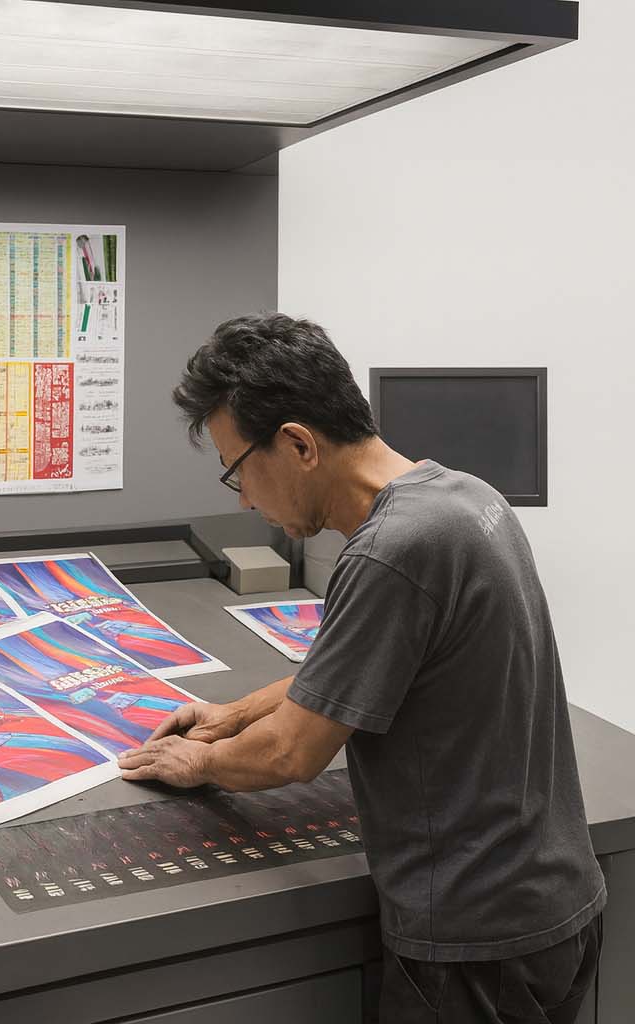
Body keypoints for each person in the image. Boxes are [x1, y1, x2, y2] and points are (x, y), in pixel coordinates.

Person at [117, 313, 605, 1023]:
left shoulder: (390, 551)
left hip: (474, 943)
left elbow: (292, 753)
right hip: (558, 906)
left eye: (238, 472)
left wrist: (199, 764)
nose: (246, 500)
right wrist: (232, 715)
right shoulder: (464, 499)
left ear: (297, 445)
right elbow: (375, 662)